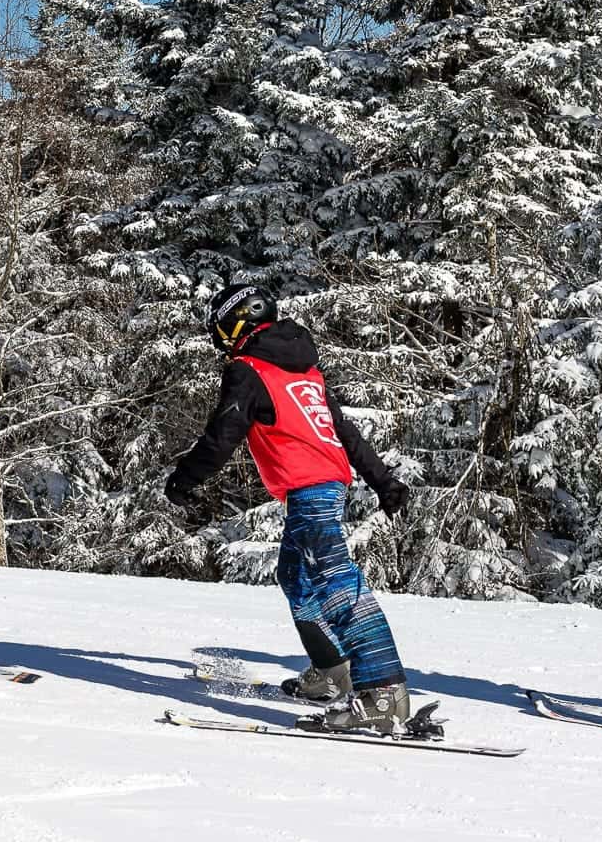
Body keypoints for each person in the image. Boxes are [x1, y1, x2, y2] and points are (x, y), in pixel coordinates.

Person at [164, 284, 415, 733]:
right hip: (324, 486)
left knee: (334, 579)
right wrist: (381, 480)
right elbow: (345, 432)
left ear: (236, 322)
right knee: (296, 575)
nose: (218, 337)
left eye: (219, 326)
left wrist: (186, 479)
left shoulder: (249, 368)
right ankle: (332, 673)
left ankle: (382, 693)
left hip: (311, 488)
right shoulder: (306, 372)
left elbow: (224, 433)